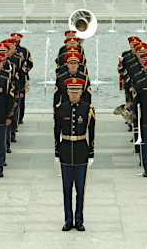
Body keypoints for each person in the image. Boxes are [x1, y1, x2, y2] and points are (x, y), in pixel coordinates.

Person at [55, 77, 96, 232]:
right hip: (65, 149)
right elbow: (56, 130)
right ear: (67, 92)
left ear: (81, 92)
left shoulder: (87, 109)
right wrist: (57, 151)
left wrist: (91, 153)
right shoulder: (61, 108)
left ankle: (79, 219)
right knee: (66, 188)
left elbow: (92, 132)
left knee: (80, 188)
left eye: (77, 91)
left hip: (81, 150)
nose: (74, 94)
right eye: (71, 91)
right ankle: (68, 219)